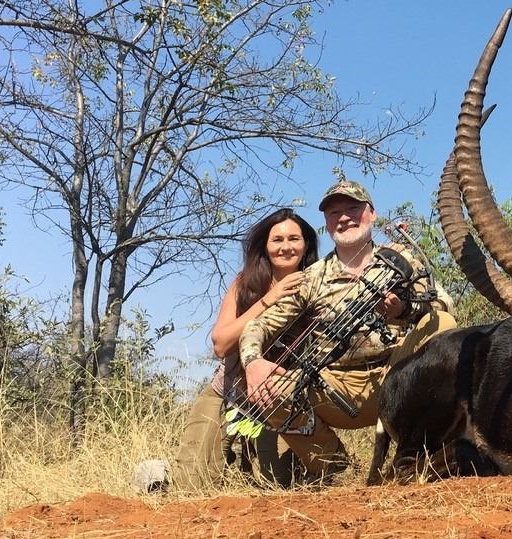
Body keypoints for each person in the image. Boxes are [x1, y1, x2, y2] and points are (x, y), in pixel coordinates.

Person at [238, 179, 456, 482]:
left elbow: (444, 304)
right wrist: (252, 362)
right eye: (334, 212)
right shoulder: (311, 277)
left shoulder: (402, 260)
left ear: (372, 214)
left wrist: (404, 310)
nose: (344, 217)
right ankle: (336, 474)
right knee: (271, 390)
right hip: (334, 385)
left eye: (353, 208)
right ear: (327, 224)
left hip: (396, 377)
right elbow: (258, 325)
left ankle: (421, 456)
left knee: (443, 324)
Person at [132, 207, 320, 494]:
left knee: (277, 485)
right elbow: (221, 343)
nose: (285, 247)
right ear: (265, 246)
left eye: (294, 239)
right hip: (228, 393)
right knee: (191, 487)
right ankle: (157, 473)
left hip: (277, 402)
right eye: (277, 240)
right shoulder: (245, 283)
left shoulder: (317, 285)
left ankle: (239, 461)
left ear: (306, 244)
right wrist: (270, 299)